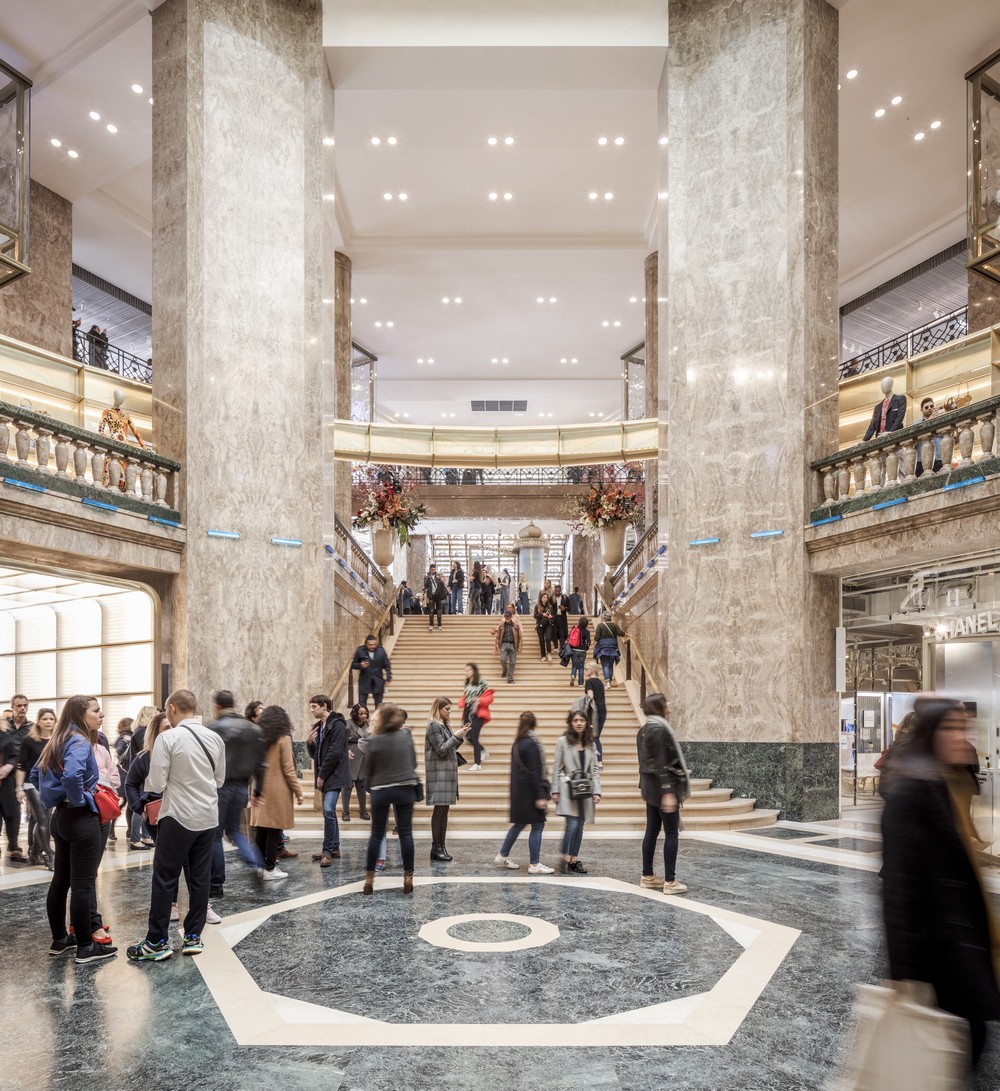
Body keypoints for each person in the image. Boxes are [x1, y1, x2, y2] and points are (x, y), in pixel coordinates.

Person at [881, 697, 1000, 1069]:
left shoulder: (945, 783)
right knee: (957, 1043)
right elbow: (897, 889)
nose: (960, 737)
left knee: (971, 1035)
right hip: (936, 945)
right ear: (930, 733)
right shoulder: (909, 793)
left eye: (963, 727)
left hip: (961, 935)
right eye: (950, 728)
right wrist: (905, 971)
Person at [126, 689, 225, 962]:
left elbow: (156, 783)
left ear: (171, 709)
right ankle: (193, 936)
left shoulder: (168, 738)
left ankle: (156, 941)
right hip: (208, 817)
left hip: (179, 816)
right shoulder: (215, 738)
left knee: (165, 876)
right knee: (200, 876)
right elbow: (219, 779)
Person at [31, 695, 117, 964]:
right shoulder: (79, 741)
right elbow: (71, 776)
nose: (100, 715)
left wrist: (56, 797)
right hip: (80, 818)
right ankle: (85, 947)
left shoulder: (58, 738)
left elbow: (36, 775)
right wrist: (79, 800)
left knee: (61, 881)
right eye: (96, 710)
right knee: (82, 884)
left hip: (61, 818)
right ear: (81, 714)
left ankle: (60, 940)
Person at [206, 690, 267, 898]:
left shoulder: (213, 728)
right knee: (236, 832)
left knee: (215, 836)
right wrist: (258, 790)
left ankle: (216, 885)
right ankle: (255, 864)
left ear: (217, 706)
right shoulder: (253, 729)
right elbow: (261, 763)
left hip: (219, 787)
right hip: (242, 787)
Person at [363, 704, 419, 895]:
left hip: (381, 790)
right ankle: (408, 878)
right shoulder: (405, 736)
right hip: (405, 789)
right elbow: (414, 762)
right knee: (406, 833)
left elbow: (368, 769)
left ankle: (369, 880)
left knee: (377, 834)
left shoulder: (374, 739)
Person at [637, 692, 690, 896]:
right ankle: (670, 881)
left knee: (651, 831)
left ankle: (648, 876)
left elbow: (645, 763)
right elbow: (661, 763)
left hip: (650, 787)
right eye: (666, 701)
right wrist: (668, 791)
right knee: (671, 833)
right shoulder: (659, 728)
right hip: (662, 788)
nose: (670, 703)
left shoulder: (643, 729)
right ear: (659, 707)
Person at [494, 711, 553, 874]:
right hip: (531, 794)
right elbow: (535, 771)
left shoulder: (517, 742)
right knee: (538, 825)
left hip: (519, 793)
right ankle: (534, 864)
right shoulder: (532, 742)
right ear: (534, 724)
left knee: (519, 824)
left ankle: (502, 855)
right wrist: (541, 795)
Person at [249, 706, 304, 880]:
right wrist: (298, 791)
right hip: (278, 790)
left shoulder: (259, 737)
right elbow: (288, 768)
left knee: (262, 830)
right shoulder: (284, 737)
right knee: (274, 830)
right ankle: (270, 869)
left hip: (261, 787)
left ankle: (259, 867)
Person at [551, 709, 601, 874]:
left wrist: (597, 791)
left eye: (582, 720)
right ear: (571, 723)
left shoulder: (590, 743)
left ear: (586, 723)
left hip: (585, 790)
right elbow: (556, 768)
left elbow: (594, 769)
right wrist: (555, 790)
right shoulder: (563, 741)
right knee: (572, 825)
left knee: (580, 826)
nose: (579, 723)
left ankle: (573, 860)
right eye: (576, 720)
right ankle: (564, 856)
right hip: (568, 789)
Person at [425, 696, 471, 862]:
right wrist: (456, 736)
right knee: (439, 811)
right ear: (438, 709)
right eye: (447, 709)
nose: (449, 712)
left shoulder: (444, 725)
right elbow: (442, 749)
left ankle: (441, 846)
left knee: (444, 811)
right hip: (439, 773)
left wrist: (460, 736)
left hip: (448, 773)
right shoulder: (433, 725)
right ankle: (436, 847)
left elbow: (451, 747)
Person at [307, 694, 349, 867]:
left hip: (335, 775)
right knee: (329, 811)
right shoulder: (320, 726)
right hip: (326, 774)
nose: (311, 710)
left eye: (314, 707)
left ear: (324, 706)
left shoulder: (337, 724)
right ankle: (335, 848)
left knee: (328, 810)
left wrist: (321, 775)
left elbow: (335, 753)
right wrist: (310, 743)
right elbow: (316, 754)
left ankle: (327, 851)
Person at [15, 706, 55, 864]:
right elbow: (21, 765)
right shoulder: (29, 740)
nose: (48, 721)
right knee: (42, 819)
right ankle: (50, 854)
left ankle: (34, 854)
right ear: (38, 721)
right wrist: (19, 788)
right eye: (45, 719)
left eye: (51, 719)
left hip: (50, 784)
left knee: (45, 819)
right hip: (32, 784)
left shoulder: (56, 740)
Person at [1, 694, 32, 861]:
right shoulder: (4, 726)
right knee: (8, 808)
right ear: (12, 707)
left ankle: (13, 843)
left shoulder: (32, 727)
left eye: (25, 705)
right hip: (5, 772)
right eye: (19, 705)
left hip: (23, 772)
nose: (22, 708)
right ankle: (12, 844)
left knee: (16, 808)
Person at [458, 662, 494, 772]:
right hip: (468, 710)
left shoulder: (482, 682)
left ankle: (477, 763)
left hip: (478, 712)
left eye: (468, 670)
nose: (467, 672)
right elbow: (465, 696)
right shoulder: (467, 683)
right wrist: (462, 702)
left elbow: (489, 697)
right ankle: (482, 750)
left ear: (474, 670)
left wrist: (479, 701)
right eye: (466, 670)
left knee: (473, 736)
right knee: (467, 736)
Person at [343, 703, 371, 821]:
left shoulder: (366, 724)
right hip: (351, 756)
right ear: (355, 713)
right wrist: (345, 752)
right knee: (347, 786)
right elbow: (340, 740)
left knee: (362, 786)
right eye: (361, 713)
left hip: (363, 756)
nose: (363, 716)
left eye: (365, 713)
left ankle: (363, 811)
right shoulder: (347, 723)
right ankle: (345, 812)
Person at [352, 634, 392, 710]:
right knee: (362, 705)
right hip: (364, 681)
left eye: (374, 644)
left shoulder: (381, 650)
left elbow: (387, 665)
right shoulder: (360, 650)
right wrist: (361, 665)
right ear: (366, 643)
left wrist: (388, 678)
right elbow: (353, 664)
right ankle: (363, 721)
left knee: (379, 705)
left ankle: (377, 721)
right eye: (370, 645)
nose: (372, 646)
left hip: (378, 681)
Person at [862, 374, 907, 440]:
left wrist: (891, 432)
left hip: (895, 437)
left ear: (891, 385)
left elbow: (899, 418)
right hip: (880, 439)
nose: (883, 386)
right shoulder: (878, 407)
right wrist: (864, 440)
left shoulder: (900, 399)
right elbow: (872, 426)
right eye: (882, 385)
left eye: (886, 383)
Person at [492, 604, 523, 684]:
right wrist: (497, 645)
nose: (507, 618)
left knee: (512, 662)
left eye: (508, 616)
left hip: (513, 644)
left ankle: (510, 678)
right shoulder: (502, 625)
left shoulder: (515, 625)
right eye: (506, 616)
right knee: (502, 660)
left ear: (511, 616)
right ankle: (505, 670)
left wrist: (519, 647)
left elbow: (519, 636)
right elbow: (498, 635)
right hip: (504, 644)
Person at [584, 663, 607, 767]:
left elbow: (590, 696)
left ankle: (598, 760)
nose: (585, 671)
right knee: (595, 735)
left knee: (594, 736)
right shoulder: (600, 682)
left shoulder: (589, 682)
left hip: (594, 711)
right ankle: (598, 760)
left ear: (592, 670)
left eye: (586, 669)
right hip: (603, 710)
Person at [593, 611, 626, 685]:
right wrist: (625, 634)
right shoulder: (614, 625)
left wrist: (594, 643)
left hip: (603, 648)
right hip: (613, 647)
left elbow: (597, 637)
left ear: (604, 618)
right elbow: (620, 633)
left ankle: (607, 681)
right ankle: (609, 682)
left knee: (605, 665)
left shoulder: (600, 625)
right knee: (611, 665)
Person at [914, 396, 943, 476]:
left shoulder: (940, 421)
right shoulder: (916, 424)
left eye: (931, 406)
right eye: (926, 407)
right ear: (921, 410)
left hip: (938, 458)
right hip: (921, 460)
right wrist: (930, 420)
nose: (929, 408)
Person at [568, 615, 591, 687]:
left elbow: (569, 637)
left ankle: (573, 675)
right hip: (582, 651)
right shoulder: (587, 631)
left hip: (574, 649)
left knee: (574, 665)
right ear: (586, 624)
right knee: (581, 666)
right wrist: (586, 648)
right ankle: (581, 683)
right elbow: (588, 642)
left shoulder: (574, 628)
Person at [424, 564, 448, 630]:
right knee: (431, 610)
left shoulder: (438, 576)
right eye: (432, 570)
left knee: (439, 610)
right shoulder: (427, 577)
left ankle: (439, 625)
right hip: (431, 595)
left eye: (434, 570)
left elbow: (444, 582)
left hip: (438, 595)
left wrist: (442, 579)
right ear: (430, 570)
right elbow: (425, 586)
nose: (433, 571)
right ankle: (431, 625)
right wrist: (428, 579)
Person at [534, 592, 556, 662]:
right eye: (544, 597)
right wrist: (542, 615)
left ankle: (549, 653)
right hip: (540, 625)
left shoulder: (550, 606)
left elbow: (553, 617)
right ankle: (543, 656)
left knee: (548, 638)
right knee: (541, 640)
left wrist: (551, 617)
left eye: (546, 597)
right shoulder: (537, 606)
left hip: (548, 624)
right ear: (541, 598)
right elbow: (535, 616)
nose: (545, 599)